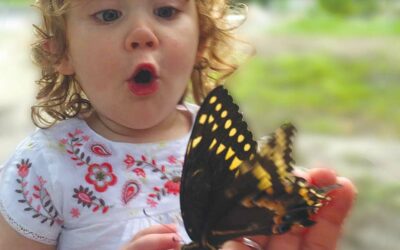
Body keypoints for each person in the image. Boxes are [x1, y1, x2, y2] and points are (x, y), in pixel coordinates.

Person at [0, 0, 356, 249]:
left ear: (201, 38)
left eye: (166, 11)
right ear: (61, 52)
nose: (142, 33)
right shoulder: (43, 167)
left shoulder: (215, 143)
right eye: (108, 14)